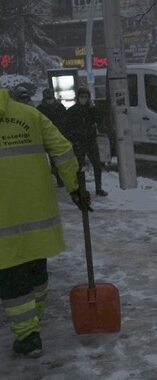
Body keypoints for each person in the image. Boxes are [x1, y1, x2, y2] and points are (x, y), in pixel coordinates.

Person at [0, 87, 90, 357]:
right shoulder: (30, 115)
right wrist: (76, 188)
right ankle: (33, 320)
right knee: (35, 270)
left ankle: (28, 336)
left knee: (11, 279)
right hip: (36, 212)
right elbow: (62, 150)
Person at [66, 87, 108, 196]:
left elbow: (99, 120)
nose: (83, 99)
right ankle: (81, 189)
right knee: (79, 166)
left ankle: (98, 188)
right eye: (81, 97)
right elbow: (67, 127)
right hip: (79, 142)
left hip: (90, 141)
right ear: (78, 98)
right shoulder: (72, 111)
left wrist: (94, 110)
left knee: (97, 165)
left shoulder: (91, 110)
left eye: (85, 97)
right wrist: (73, 138)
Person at [38, 88, 68, 187]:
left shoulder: (41, 109)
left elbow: (66, 121)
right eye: (48, 98)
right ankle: (60, 179)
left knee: (57, 159)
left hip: (56, 136)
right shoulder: (58, 107)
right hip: (52, 137)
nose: (49, 100)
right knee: (56, 159)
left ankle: (60, 178)